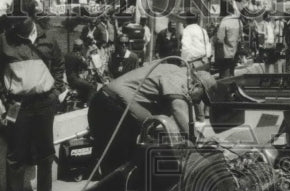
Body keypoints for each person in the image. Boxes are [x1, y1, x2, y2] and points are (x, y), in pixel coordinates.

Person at [0, 0, 65, 191]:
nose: (16, 23)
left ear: (32, 16)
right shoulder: (4, 41)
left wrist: (56, 92)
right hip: (17, 105)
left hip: (44, 103)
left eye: (22, 19)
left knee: (46, 152)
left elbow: (59, 65)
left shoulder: (48, 38)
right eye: (14, 19)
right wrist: (3, 95)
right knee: (15, 153)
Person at [88, 60, 216, 175]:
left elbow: (179, 123)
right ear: (197, 85)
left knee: (136, 158)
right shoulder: (179, 78)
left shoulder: (177, 75)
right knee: (119, 166)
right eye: (201, 97)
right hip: (110, 108)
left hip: (115, 108)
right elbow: (178, 111)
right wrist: (201, 142)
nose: (199, 102)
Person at [213, 2, 243, 78]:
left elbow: (220, 38)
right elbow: (240, 37)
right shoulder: (239, 21)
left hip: (225, 54)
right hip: (235, 53)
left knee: (224, 77)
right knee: (232, 74)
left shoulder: (224, 22)